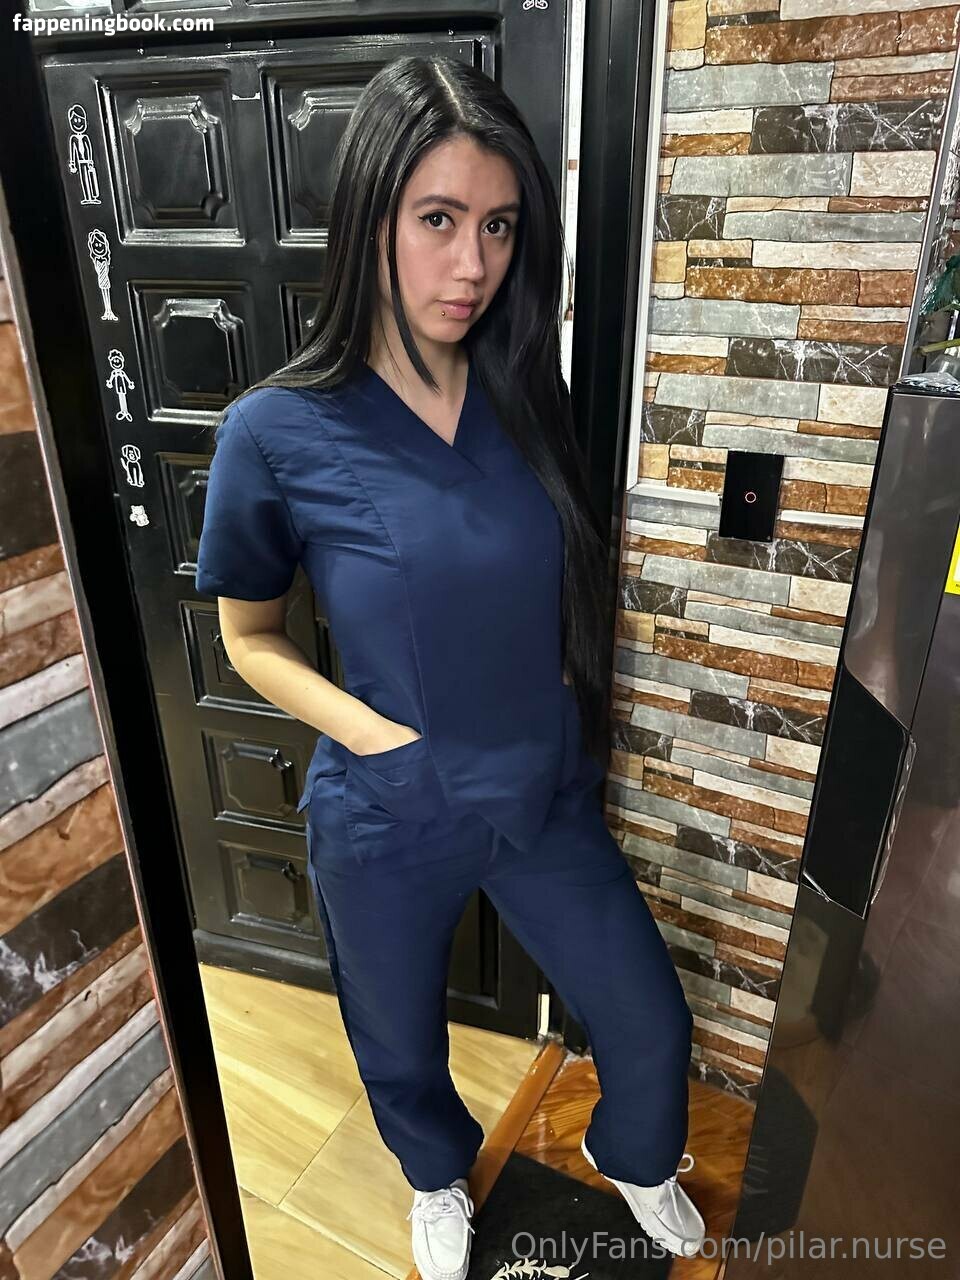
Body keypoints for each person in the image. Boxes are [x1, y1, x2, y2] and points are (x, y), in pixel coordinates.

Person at [195, 54, 706, 1279]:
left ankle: (638, 1156)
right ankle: (435, 1174)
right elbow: (248, 637)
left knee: (648, 1018)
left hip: (536, 791)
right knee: (399, 1041)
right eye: (438, 219)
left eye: (498, 226)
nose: (471, 264)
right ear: (371, 216)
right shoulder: (277, 430)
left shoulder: (527, 394)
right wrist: (381, 740)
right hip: (390, 809)